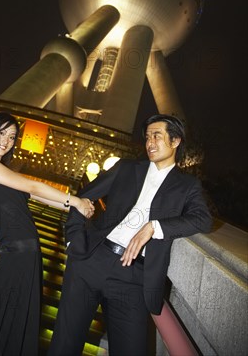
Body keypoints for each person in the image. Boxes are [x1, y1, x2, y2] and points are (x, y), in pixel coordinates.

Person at [48, 114, 213, 356]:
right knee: (64, 345)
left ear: (175, 140)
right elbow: (84, 196)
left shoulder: (187, 186)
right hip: (91, 262)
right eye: (147, 137)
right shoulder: (125, 168)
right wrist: (73, 239)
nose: (150, 142)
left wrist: (153, 227)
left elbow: (204, 219)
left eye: (157, 136)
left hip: (134, 278)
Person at [0, 112, 94, 356]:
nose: (6, 140)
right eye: (1, 132)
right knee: (5, 320)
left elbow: (36, 195)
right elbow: (32, 186)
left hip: (26, 254)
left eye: (12, 137)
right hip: (17, 253)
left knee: (11, 320)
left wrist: (73, 205)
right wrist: (74, 199)